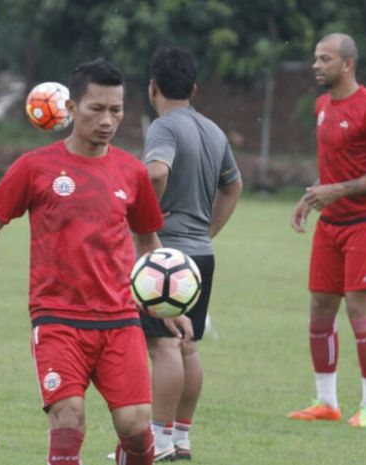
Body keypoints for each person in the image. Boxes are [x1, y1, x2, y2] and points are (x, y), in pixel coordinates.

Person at [0, 58, 193, 465]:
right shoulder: (35, 168)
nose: (108, 120)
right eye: (96, 109)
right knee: (68, 419)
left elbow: (147, 240)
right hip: (57, 319)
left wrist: (165, 303)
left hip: (119, 318)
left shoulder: (131, 172)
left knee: (136, 426)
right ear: (70, 109)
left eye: (116, 110)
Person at [288, 33, 366, 428]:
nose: (316, 65)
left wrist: (336, 191)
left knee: (358, 309)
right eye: (315, 58)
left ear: (347, 64)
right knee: (320, 309)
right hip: (331, 223)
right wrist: (311, 198)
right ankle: (327, 402)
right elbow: (335, 168)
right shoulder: (321, 105)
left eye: (325, 59)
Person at [140, 47, 242, 461]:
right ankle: (181, 437)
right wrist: (208, 231)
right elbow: (233, 187)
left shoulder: (163, 127)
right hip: (200, 253)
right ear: (194, 88)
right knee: (189, 346)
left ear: (152, 88)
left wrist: (147, 220)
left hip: (166, 252)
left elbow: (156, 171)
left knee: (163, 346)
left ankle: (158, 441)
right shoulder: (214, 130)